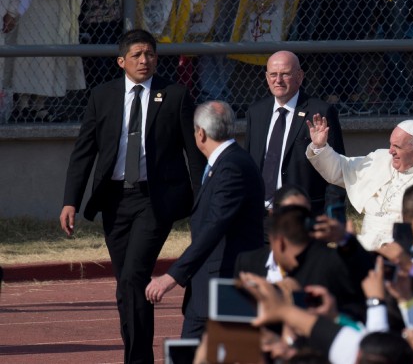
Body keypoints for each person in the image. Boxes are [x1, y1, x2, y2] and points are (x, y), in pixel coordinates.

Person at [60, 29, 205, 364]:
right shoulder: (103, 96)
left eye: (150, 54)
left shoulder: (176, 95)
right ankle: (136, 354)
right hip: (114, 199)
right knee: (126, 285)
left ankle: (138, 360)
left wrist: (202, 201)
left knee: (133, 276)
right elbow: (84, 152)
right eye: (137, 55)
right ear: (121, 61)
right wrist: (70, 200)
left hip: (155, 201)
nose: (145, 60)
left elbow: (194, 154)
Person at [145, 100, 265, 338]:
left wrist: (172, 276)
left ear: (200, 133)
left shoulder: (232, 166)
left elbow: (214, 227)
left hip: (225, 284)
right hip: (211, 286)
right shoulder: (227, 162)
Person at [306, 118, 413, 250]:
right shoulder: (380, 158)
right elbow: (341, 169)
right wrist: (320, 146)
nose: (391, 151)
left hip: (402, 250)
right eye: (391, 144)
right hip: (365, 245)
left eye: (397, 147)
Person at [245, 51, 345, 213]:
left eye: (285, 74)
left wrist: (332, 216)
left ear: (299, 76)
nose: (278, 80)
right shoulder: (256, 112)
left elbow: (336, 169)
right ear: (266, 77)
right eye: (273, 74)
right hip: (260, 215)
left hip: (303, 215)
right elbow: (249, 163)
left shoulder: (319, 112)